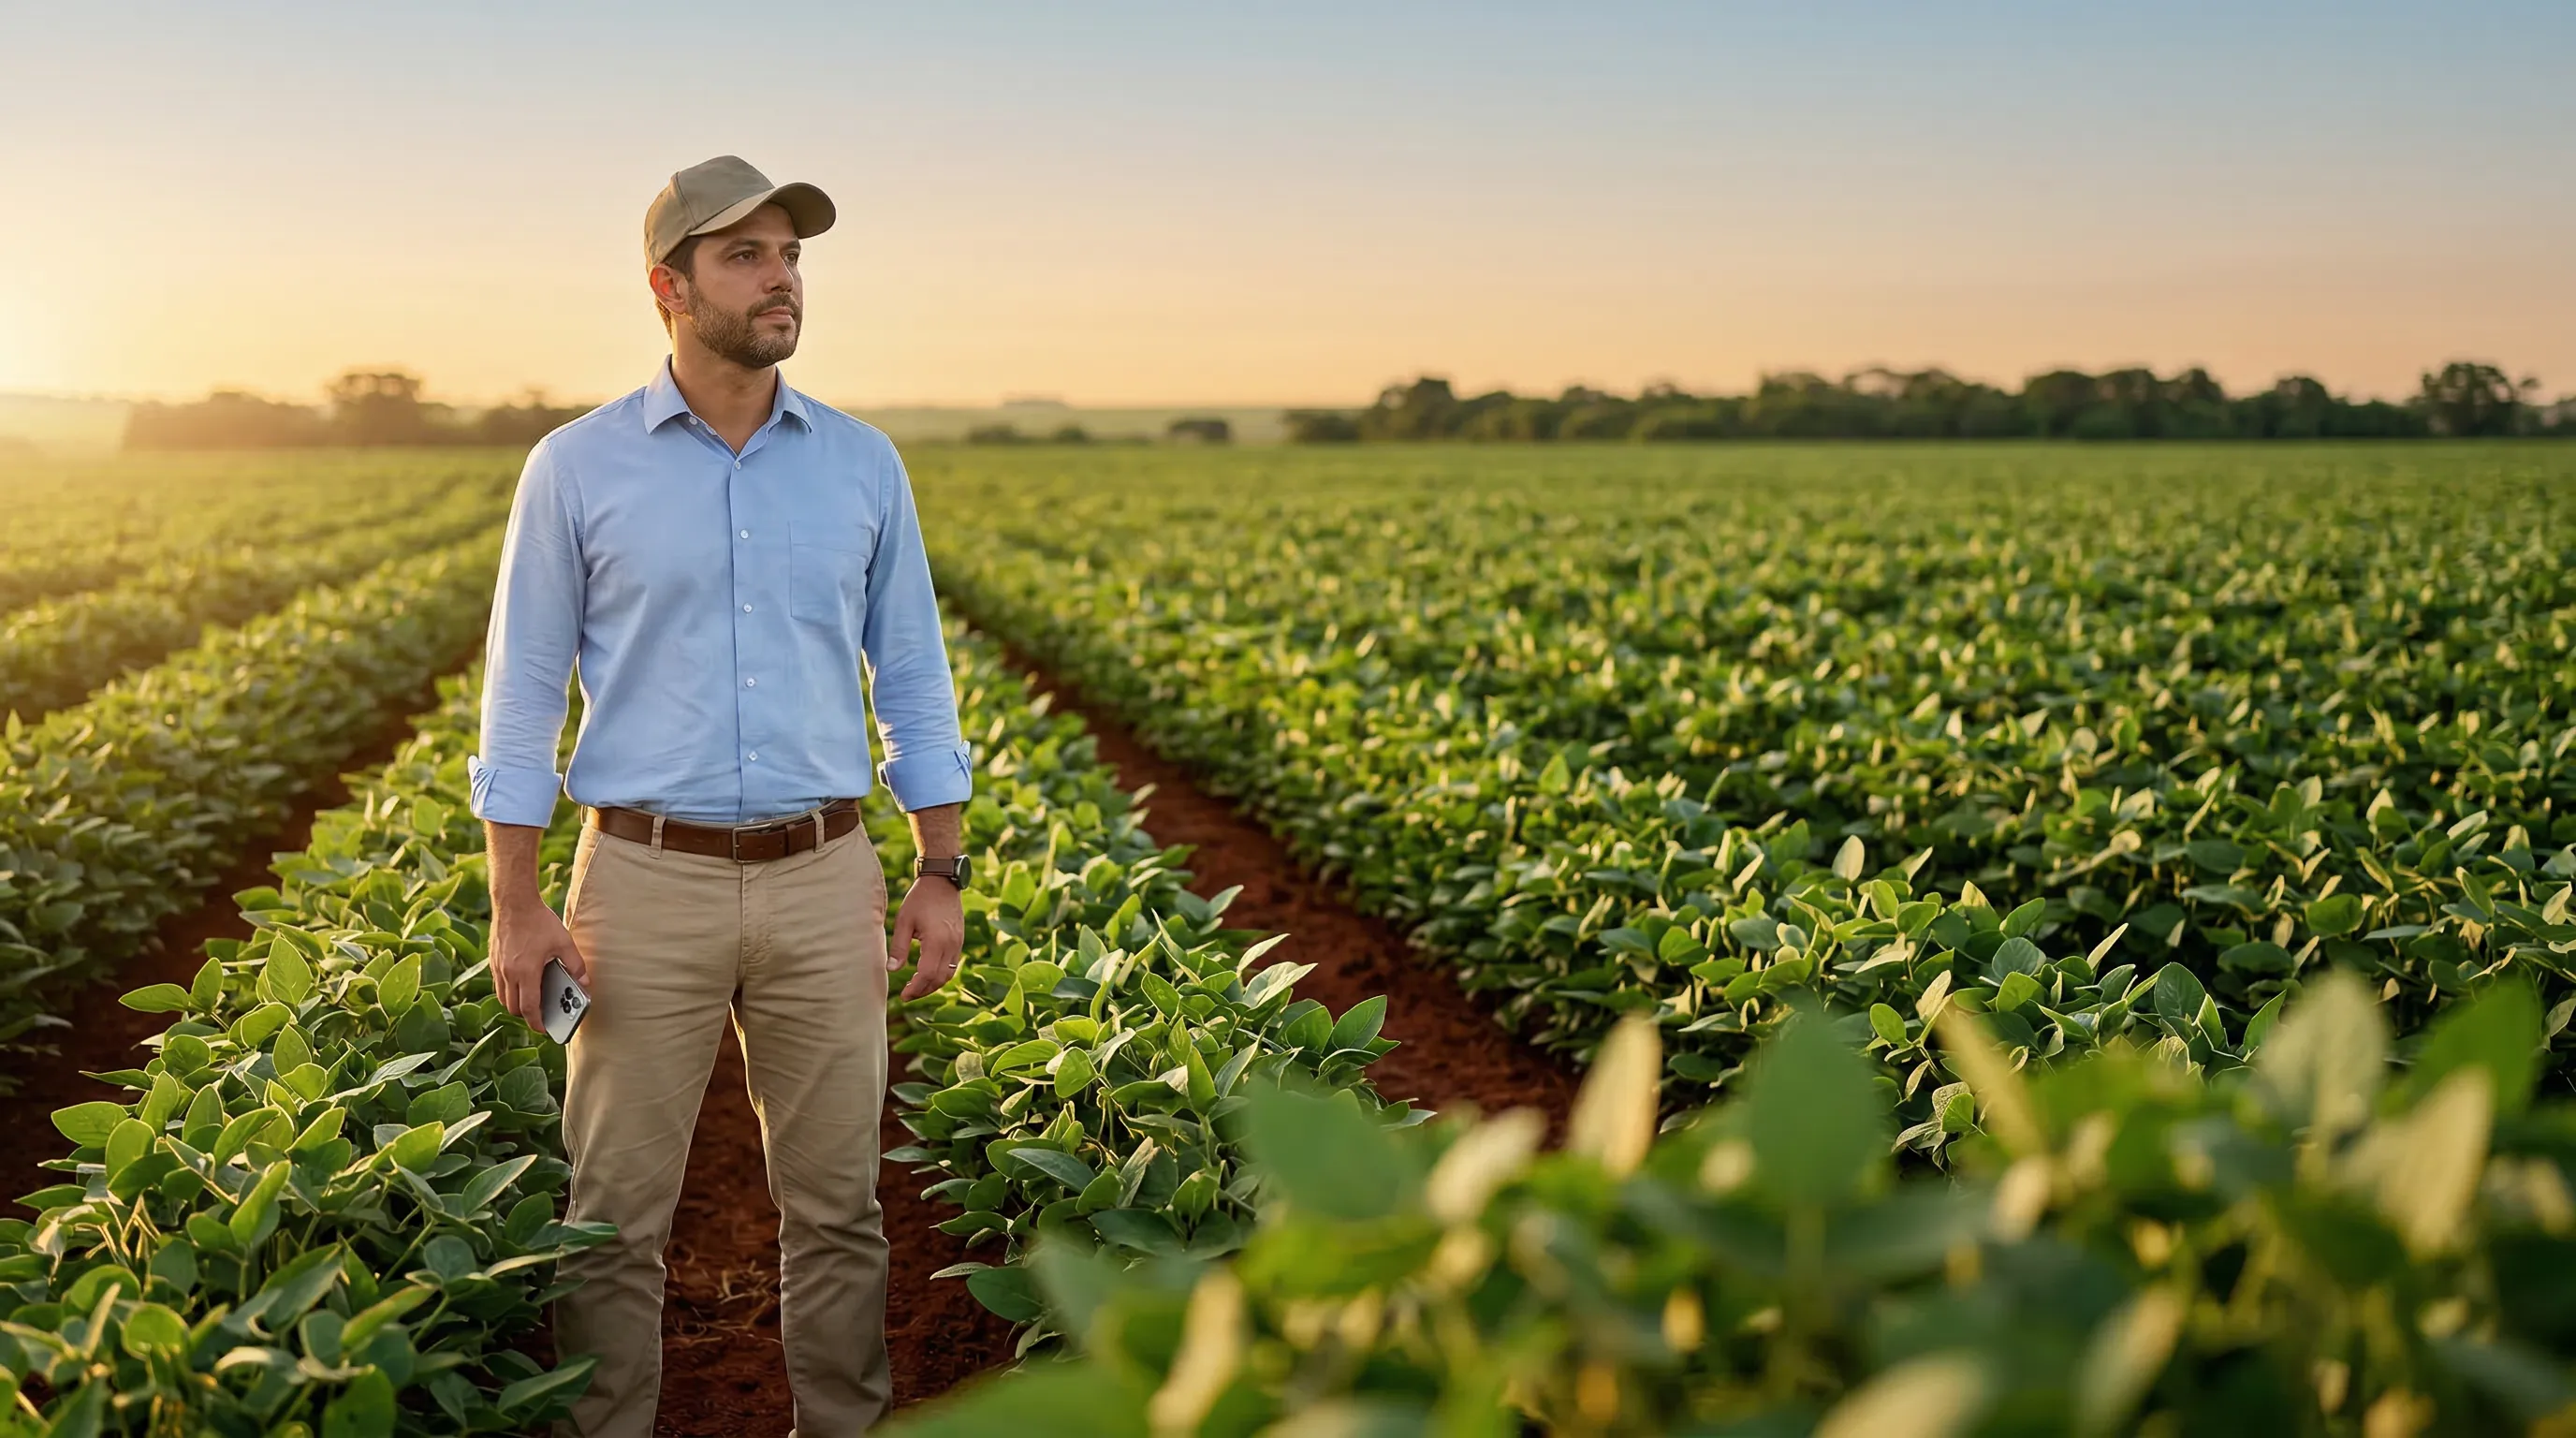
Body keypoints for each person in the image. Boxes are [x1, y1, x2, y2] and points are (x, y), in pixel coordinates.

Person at [469, 154, 974, 1436]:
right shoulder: (576, 469)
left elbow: (912, 674)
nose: (781, 278)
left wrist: (938, 867)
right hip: (640, 881)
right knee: (611, 1218)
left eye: (790, 255)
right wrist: (516, 903)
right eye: (746, 256)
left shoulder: (862, 466)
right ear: (667, 288)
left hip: (824, 877)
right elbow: (521, 700)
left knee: (841, 1211)